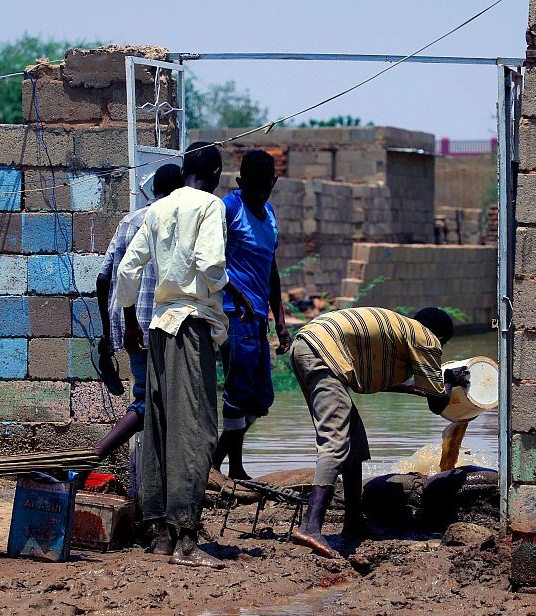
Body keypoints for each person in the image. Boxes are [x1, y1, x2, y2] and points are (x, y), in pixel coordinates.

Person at [115, 142, 255, 569]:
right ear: (213, 173)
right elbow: (210, 263)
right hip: (191, 327)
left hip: (157, 329)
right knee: (197, 432)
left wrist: (130, 321)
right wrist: (223, 293)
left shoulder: (157, 208)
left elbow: (126, 269)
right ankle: (187, 541)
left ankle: (160, 536)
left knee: (160, 430)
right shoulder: (210, 207)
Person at [288, 306, 470, 558]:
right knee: (336, 442)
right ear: (440, 337)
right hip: (323, 353)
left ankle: (353, 522)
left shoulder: (401, 331)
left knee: (355, 442)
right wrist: (449, 379)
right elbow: (438, 403)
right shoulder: (427, 338)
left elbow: (372, 379)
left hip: (311, 344)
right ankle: (310, 527)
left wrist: (420, 387)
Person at [90, 163, 184, 464]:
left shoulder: (129, 221)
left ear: (153, 189)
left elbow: (103, 278)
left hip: (129, 325)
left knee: (157, 401)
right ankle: (93, 458)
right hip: (158, 323)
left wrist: (108, 332)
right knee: (148, 400)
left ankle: (152, 475)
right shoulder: (174, 222)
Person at [211, 150, 291, 480]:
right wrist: (232, 293)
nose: (260, 193)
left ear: (273, 183)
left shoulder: (270, 214)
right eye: (254, 187)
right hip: (233, 313)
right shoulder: (230, 208)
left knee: (260, 398)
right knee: (239, 391)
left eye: (266, 187)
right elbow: (212, 258)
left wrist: (281, 321)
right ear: (242, 183)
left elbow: (271, 270)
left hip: (259, 317)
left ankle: (216, 460)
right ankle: (229, 466)